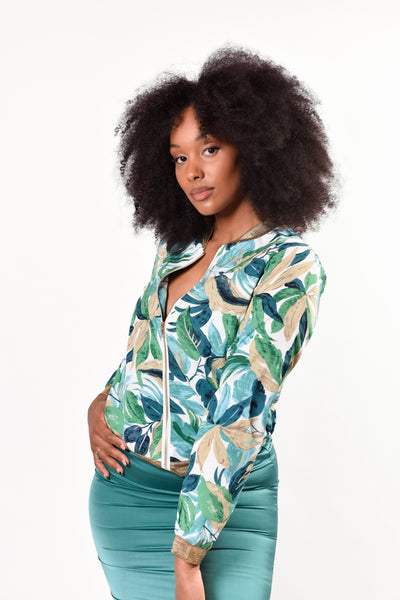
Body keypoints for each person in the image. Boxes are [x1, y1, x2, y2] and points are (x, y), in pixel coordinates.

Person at [88, 44, 338, 600]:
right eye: (178, 157)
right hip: (127, 496)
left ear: (254, 144)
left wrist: (188, 556)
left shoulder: (288, 265)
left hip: (226, 510)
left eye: (209, 148)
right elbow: (145, 350)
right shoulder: (177, 246)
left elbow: (240, 412)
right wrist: (102, 404)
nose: (193, 172)